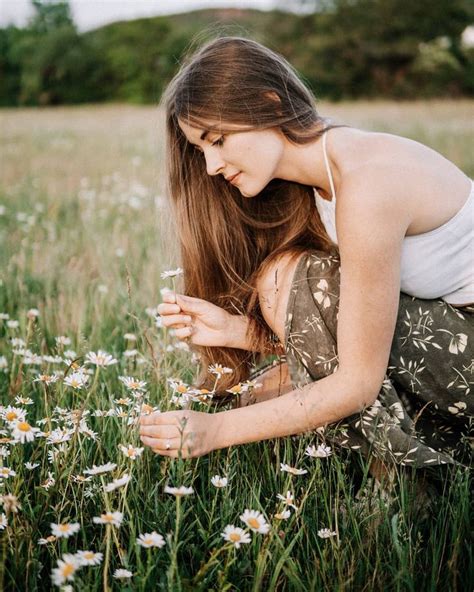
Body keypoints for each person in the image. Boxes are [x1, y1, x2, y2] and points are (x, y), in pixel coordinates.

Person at [139, 36, 473, 481]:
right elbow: (355, 334)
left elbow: (357, 381)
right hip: (453, 342)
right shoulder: (320, 180)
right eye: (201, 150)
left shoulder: (367, 183)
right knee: (261, 390)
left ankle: (412, 486)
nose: (211, 166)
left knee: (287, 283)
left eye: (217, 140)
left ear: (267, 101)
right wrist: (241, 332)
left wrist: (215, 431)